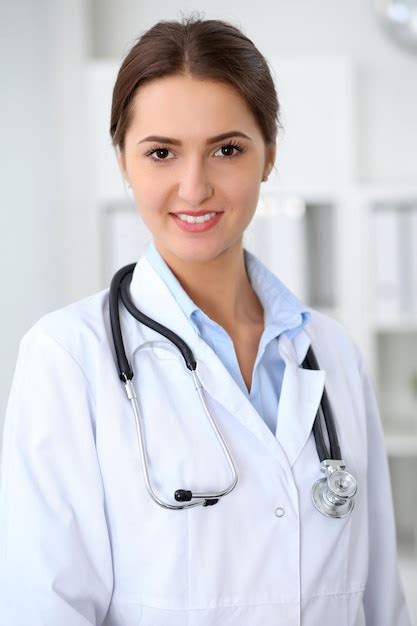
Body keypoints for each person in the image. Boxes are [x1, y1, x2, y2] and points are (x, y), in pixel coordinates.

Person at [0, 13, 411, 626]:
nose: (194, 188)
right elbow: (43, 609)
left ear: (268, 154)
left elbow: (381, 603)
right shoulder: (66, 358)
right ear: (122, 160)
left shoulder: (333, 354)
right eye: (161, 152)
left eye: (227, 149)